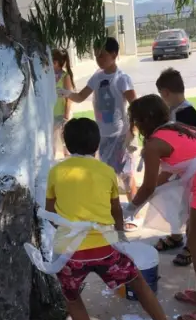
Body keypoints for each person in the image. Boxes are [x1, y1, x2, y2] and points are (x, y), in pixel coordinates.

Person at [46, 118, 188, 320]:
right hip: (105, 249)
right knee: (139, 284)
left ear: (66, 145)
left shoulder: (56, 171)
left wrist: (69, 232)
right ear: (97, 144)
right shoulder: (106, 171)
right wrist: (120, 238)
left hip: (68, 253)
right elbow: (116, 212)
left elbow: (50, 213)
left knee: (73, 299)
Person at [125, 94, 196, 320]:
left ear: (144, 121)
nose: (135, 126)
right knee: (194, 240)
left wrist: (131, 208)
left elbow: (148, 186)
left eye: (135, 121)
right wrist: (146, 196)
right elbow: (166, 173)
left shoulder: (153, 145)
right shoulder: (178, 128)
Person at [58, 37, 138, 230]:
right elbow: (80, 97)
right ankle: (111, 213)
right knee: (107, 176)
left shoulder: (122, 79)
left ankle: (132, 214)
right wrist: (66, 93)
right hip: (102, 136)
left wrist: (133, 131)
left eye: (102, 55)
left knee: (126, 175)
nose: (98, 59)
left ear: (114, 55)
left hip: (120, 135)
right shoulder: (97, 77)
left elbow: (135, 106)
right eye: (96, 55)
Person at [154, 68, 196, 266]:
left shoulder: (186, 115)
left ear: (165, 92)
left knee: (191, 208)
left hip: (192, 171)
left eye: (161, 95)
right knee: (177, 204)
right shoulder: (176, 112)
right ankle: (176, 236)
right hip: (180, 169)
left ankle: (191, 245)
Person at [52, 48, 75, 158]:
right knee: (51, 143)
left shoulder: (65, 77)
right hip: (52, 114)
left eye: (52, 61)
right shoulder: (49, 76)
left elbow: (69, 97)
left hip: (62, 114)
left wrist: (66, 115)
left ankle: (68, 160)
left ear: (57, 62)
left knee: (66, 143)